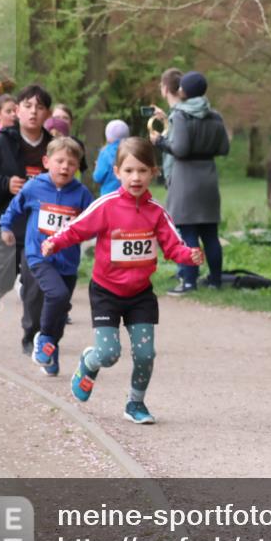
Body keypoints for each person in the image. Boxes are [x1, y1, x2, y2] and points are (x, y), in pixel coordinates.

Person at [42, 137, 204, 424]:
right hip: (106, 291)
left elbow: (172, 246)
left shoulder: (157, 213)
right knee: (108, 354)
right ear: (117, 172)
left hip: (140, 294)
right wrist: (55, 242)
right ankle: (88, 363)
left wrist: (188, 256)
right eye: (129, 171)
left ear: (153, 172)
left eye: (142, 171)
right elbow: (78, 228)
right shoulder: (106, 205)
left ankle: (135, 404)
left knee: (145, 354)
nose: (136, 177)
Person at [0, 84, 54, 354]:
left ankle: (33, 336)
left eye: (39, 108)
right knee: (4, 277)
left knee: (34, 281)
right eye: (28, 106)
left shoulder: (54, 146)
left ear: (47, 113)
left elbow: (70, 177)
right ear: (16, 111)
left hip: (38, 228)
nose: (33, 112)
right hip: (2, 223)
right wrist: (4, 184)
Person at [0, 137, 93, 375]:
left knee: (61, 307)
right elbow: (15, 207)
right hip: (38, 255)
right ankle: (39, 339)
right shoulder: (34, 187)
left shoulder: (81, 194)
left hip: (68, 261)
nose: (65, 167)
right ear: (46, 162)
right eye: (59, 161)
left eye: (71, 163)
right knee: (52, 295)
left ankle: (51, 346)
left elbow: (95, 221)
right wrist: (6, 227)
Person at [151, 70, 230, 293]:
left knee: (187, 233)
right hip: (208, 177)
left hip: (186, 178)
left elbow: (181, 149)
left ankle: (188, 281)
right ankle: (215, 281)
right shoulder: (215, 115)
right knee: (210, 234)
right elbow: (224, 148)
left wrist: (161, 142)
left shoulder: (181, 115)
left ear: (182, 91)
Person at [93, 119, 130, 196]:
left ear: (108, 136)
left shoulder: (105, 152)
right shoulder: (130, 151)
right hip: (128, 195)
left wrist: (97, 168)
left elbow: (98, 177)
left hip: (109, 196)